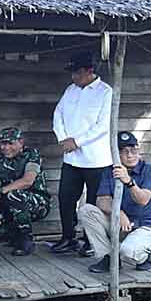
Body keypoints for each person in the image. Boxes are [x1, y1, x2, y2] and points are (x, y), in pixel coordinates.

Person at [51, 51, 113, 256]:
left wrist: (77, 141)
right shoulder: (71, 90)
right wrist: (63, 139)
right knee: (66, 198)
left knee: (93, 203)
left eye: (77, 73)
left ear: (89, 71)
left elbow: (103, 126)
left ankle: (90, 240)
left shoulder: (106, 92)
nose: (73, 77)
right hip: (71, 158)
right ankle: (68, 237)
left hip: (96, 159)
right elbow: (58, 114)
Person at [79, 131, 151, 273]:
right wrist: (119, 212)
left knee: (129, 252)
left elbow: (143, 200)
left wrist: (129, 182)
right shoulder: (109, 171)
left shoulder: (150, 171)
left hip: (145, 225)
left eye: (133, 150)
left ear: (138, 149)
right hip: (121, 223)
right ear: (116, 155)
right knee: (86, 211)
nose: (130, 155)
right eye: (124, 151)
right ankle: (110, 258)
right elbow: (102, 200)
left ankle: (144, 255)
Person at [0, 128, 51, 256]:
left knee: (12, 195)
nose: (6, 147)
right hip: (12, 202)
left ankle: (26, 240)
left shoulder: (32, 154)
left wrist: (1, 192)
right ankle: (13, 235)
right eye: (3, 143)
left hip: (38, 203)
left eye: (11, 143)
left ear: (21, 142)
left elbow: (28, 181)